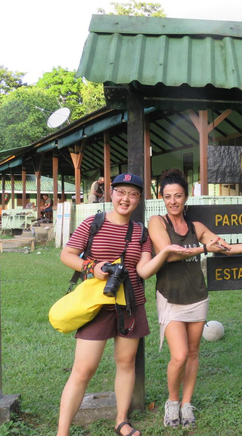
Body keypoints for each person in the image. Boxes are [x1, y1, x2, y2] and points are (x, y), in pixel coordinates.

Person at [144, 169, 242, 429]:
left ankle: (187, 404)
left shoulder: (196, 227)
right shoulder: (157, 222)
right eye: (167, 196)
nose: (173, 201)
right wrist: (204, 248)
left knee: (194, 353)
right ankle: (172, 402)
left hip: (197, 296)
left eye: (178, 196)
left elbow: (226, 248)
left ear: (186, 198)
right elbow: (171, 253)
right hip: (170, 297)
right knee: (179, 355)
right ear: (162, 198)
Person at [57, 173, 180, 436]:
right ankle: (62, 432)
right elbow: (66, 255)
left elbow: (143, 269)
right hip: (97, 306)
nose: (126, 198)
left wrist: (166, 252)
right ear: (111, 193)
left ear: (139, 199)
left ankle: (121, 420)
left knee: (126, 363)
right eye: (121, 192)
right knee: (83, 370)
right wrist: (92, 266)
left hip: (130, 305)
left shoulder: (140, 232)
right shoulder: (93, 223)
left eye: (133, 194)